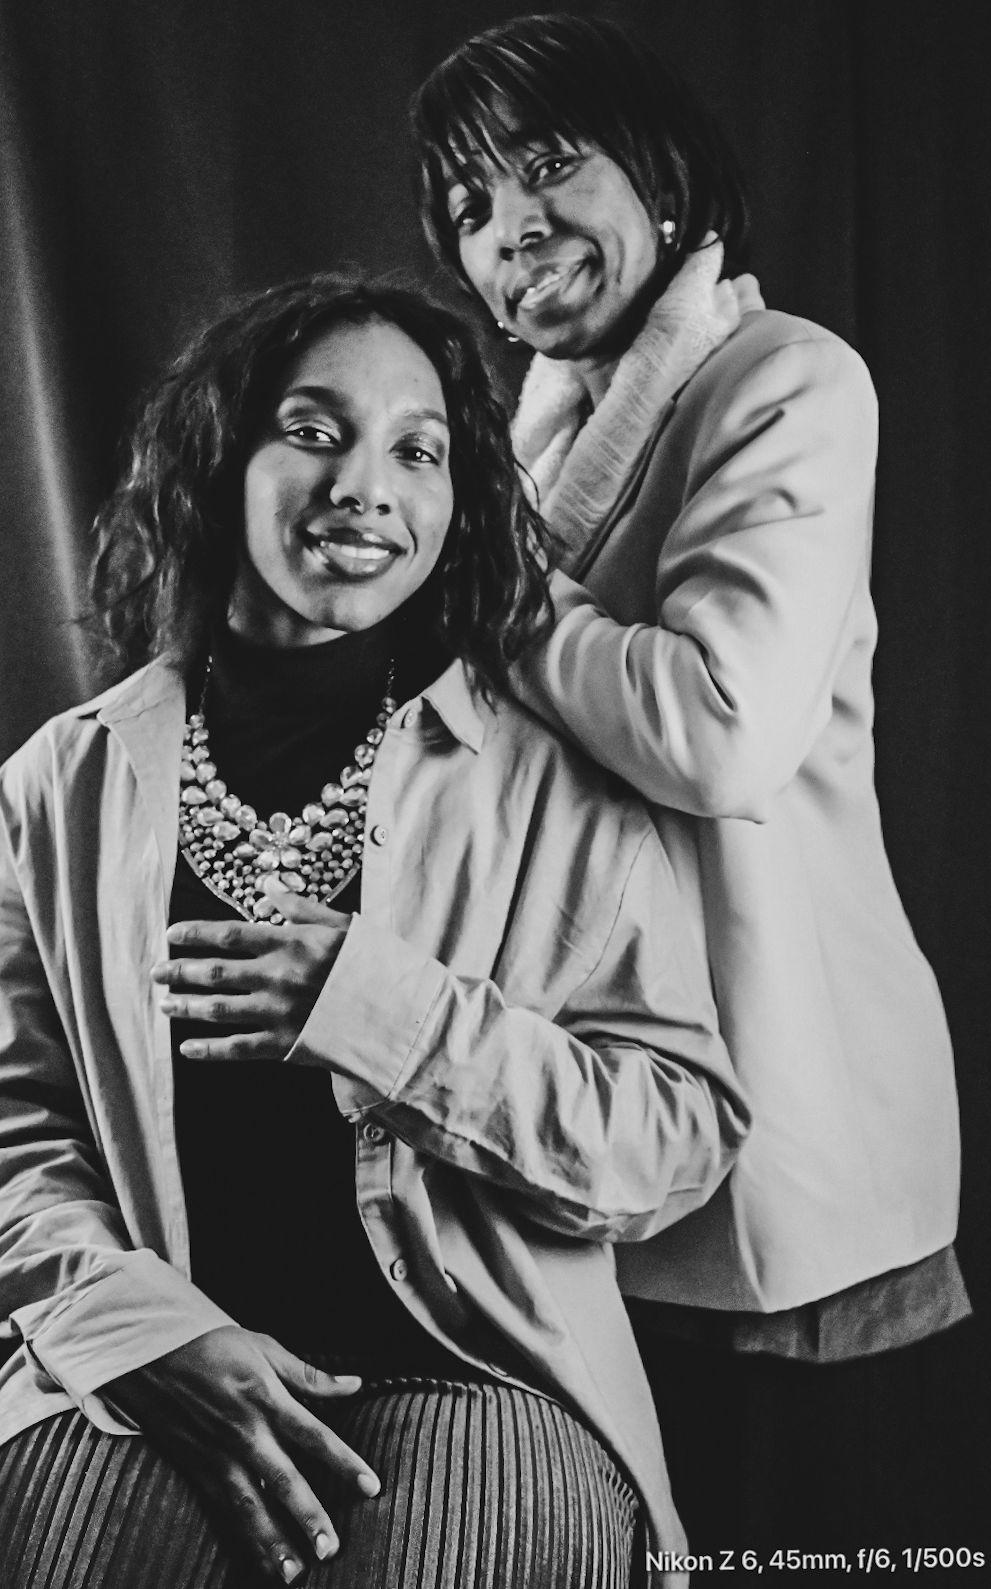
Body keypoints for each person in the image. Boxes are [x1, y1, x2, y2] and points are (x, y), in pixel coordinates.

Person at [0, 277, 749, 1589]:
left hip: (483, 1370)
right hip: (140, 1365)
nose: (365, 487)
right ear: (220, 457)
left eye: (418, 451)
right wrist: (138, 1333)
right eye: (314, 431)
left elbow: (676, 1137)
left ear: (457, 501)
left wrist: (382, 1019)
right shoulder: (59, 785)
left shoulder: (556, 783)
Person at [412, 11, 970, 1553]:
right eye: (469, 207)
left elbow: (720, 728)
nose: (512, 228)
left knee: (806, 1547)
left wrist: (492, 586)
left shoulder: (787, 378)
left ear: (661, 178)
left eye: (548, 167)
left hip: (781, 1145)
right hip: (586, 1139)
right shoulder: (524, 445)